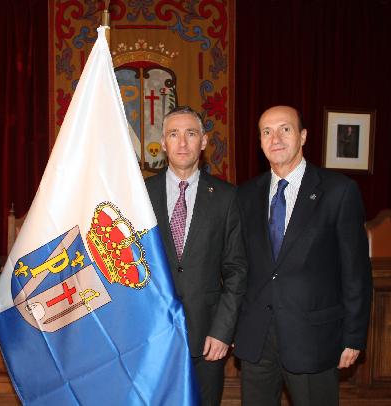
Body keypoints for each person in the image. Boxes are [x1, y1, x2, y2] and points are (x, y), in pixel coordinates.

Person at [233, 105, 372, 406]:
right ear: (259, 141)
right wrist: (234, 325)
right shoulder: (245, 195)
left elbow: (356, 271)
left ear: (303, 136)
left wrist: (354, 335)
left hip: (313, 337)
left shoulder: (338, 191)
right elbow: (240, 267)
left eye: (285, 129)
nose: (276, 138)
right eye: (266, 132)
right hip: (256, 337)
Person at [145, 106, 247, 405]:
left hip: (207, 337)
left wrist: (223, 330)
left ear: (203, 141)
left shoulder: (227, 197)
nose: (182, 143)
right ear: (163, 142)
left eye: (191, 134)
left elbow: (236, 270)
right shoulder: (140, 194)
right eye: (173, 134)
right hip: (153, 334)